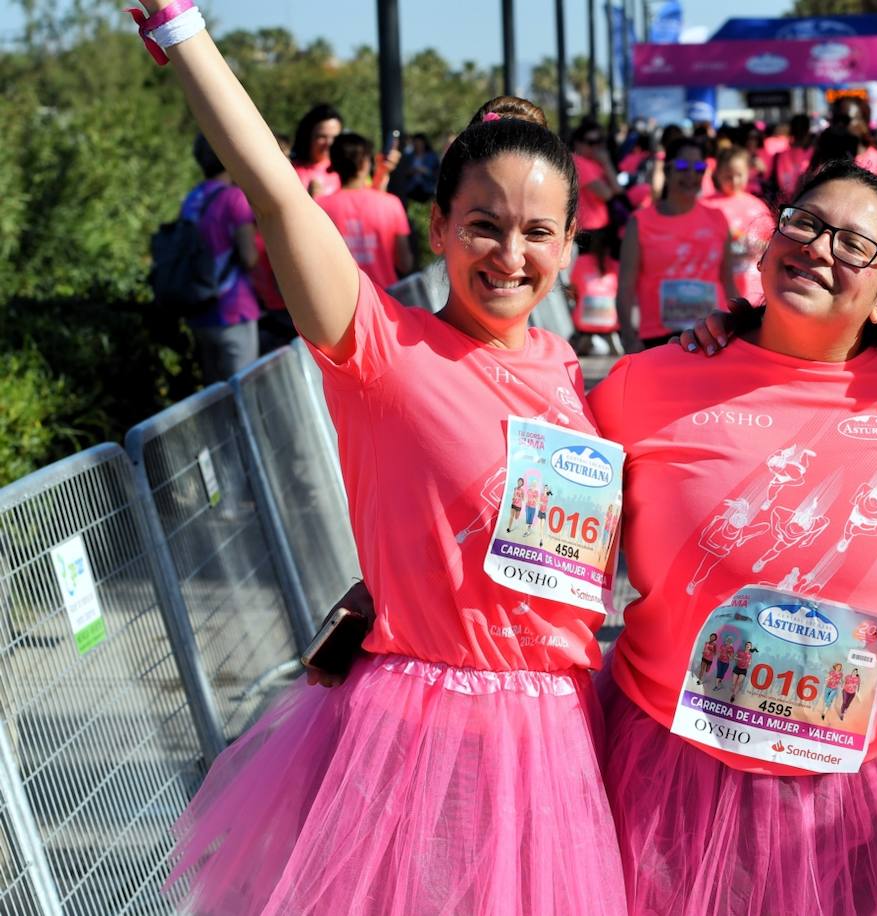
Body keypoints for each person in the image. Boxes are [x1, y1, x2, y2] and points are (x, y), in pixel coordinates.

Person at [133, 7, 626, 912]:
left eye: (537, 232)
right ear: (435, 227)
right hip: (421, 735)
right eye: (483, 225)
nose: (510, 256)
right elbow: (276, 191)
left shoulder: (562, 366)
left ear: (568, 241)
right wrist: (179, 27)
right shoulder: (378, 347)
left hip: (555, 730)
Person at [599, 158, 877, 915]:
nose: (821, 248)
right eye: (805, 223)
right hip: (673, 777)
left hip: (865, 795)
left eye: (854, 246)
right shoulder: (645, 383)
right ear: (768, 246)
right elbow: (544, 529)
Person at [616, 137, 736, 351]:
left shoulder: (717, 218)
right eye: (682, 166)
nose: (691, 175)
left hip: (712, 336)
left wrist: (741, 326)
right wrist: (628, 335)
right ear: (668, 170)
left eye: (699, 168)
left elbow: (728, 279)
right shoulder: (641, 222)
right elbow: (626, 285)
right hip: (658, 338)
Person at [182, 133, 262, 381]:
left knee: (215, 398)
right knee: (244, 395)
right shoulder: (234, 198)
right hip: (234, 310)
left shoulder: (192, 199)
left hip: (200, 310)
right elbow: (249, 257)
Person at [316, 132, 414, 289]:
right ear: (365, 163)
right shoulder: (391, 204)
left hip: (342, 303)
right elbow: (405, 263)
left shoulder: (319, 207)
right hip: (385, 303)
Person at [702, 146, 773, 306]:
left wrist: (754, 244)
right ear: (717, 173)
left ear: (748, 173)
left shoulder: (757, 206)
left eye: (739, 175)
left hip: (755, 287)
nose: (734, 181)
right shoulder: (705, 206)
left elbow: (771, 243)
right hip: (716, 289)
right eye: (728, 176)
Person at [568, 227, 622, 354]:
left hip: (584, 321)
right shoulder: (616, 265)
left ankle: (584, 338)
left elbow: (573, 289)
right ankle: (611, 337)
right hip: (610, 322)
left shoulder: (581, 262)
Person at [831, 95, 877, 186]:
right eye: (835, 120)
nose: (839, 125)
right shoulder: (822, 162)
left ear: (864, 122)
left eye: (845, 120)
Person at [571, 121, 619, 240]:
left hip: (599, 228)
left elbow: (618, 190)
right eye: (591, 143)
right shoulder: (578, 161)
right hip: (588, 229)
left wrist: (606, 163)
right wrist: (606, 163)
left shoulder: (594, 162)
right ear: (578, 143)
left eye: (600, 142)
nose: (596, 147)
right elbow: (606, 194)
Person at [290, 103, 344, 198]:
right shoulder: (290, 171)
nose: (329, 143)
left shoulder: (346, 172)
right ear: (307, 136)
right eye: (322, 137)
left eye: (335, 137)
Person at [771, 114, 815, 201]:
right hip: (807, 203)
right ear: (808, 130)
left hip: (784, 206)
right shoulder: (815, 154)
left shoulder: (779, 156)